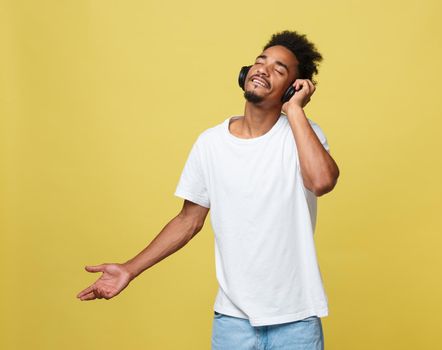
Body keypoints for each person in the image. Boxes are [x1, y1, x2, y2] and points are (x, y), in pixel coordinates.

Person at [77, 30, 339, 350]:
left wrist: (295, 111)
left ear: (292, 89)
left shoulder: (304, 135)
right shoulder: (211, 143)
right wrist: (129, 269)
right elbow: (188, 221)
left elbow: (321, 182)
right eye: (260, 61)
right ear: (245, 73)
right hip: (232, 321)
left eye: (279, 69)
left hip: (296, 318)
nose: (263, 69)